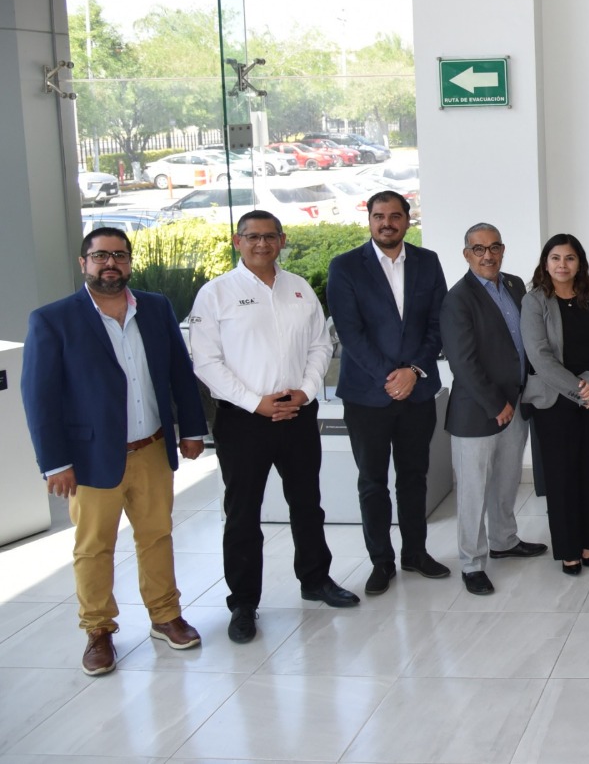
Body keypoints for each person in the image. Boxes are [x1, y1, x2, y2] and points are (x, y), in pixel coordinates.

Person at [21, 228, 208, 675]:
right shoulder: (53, 319)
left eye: (120, 256)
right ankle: (98, 630)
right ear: (83, 263)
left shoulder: (156, 308)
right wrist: (55, 462)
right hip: (90, 458)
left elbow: (179, 372)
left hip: (152, 447)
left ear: (129, 261)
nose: (111, 264)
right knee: (94, 547)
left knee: (157, 536)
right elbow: (39, 396)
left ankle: (165, 616)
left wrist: (192, 429)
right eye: (101, 256)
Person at [189, 211, 360, 644]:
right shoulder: (216, 293)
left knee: (307, 503)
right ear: (237, 241)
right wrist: (256, 403)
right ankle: (244, 602)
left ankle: (315, 580)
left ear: (282, 240)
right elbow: (206, 362)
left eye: (270, 236)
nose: (261, 244)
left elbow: (320, 345)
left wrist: (305, 392)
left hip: (297, 413)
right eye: (252, 237)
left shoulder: (299, 288)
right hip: (243, 419)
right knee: (243, 512)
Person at [325, 191, 451, 595]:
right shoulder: (345, 267)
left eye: (395, 216)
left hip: (418, 391)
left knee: (414, 477)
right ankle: (381, 561)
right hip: (367, 395)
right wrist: (391, 376)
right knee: (372, 482)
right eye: (379, 216)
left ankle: (415, 553)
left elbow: (438, 324)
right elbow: (350, 333)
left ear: (407, 221)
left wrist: (413, 372)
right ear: (369, 220)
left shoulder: (427, 262)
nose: (387, 223)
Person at [440, 224, 549, 596]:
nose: (488, 255)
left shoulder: (515, 285)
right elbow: (462, 361)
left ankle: (504, 540)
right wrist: (494, 404)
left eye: (494, 247)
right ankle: (472, 563)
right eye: (479, 249)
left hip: (516, 402)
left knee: (506, 479)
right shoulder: (458, 299)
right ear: (466, 254)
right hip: (478, 411)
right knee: (473, 491)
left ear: (503, 250)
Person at [523, 234, 589, 575]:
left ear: (580, 263)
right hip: (555, 401)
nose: (563, 264)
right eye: (556, 258)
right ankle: (568, 550)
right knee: (561, 476)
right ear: (546, 263)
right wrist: (580, 390)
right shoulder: (534, 301)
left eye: (570, 258)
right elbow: (539, 356)